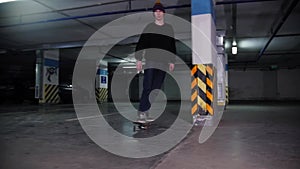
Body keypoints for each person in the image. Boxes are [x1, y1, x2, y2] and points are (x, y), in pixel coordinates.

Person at [135, 0, 176, 123]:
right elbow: (142, 43)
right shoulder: (150, 27)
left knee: (155, 89)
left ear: (164, 13)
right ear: (154, 14)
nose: (158, 13)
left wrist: (172, 61)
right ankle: (142, 112)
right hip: (151, 61)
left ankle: (146, 111)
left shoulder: (169, 28)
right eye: (156, 11)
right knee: (147, 86)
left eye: (160, 11)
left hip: (163, 63)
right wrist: (138, 59)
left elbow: (171, 45)